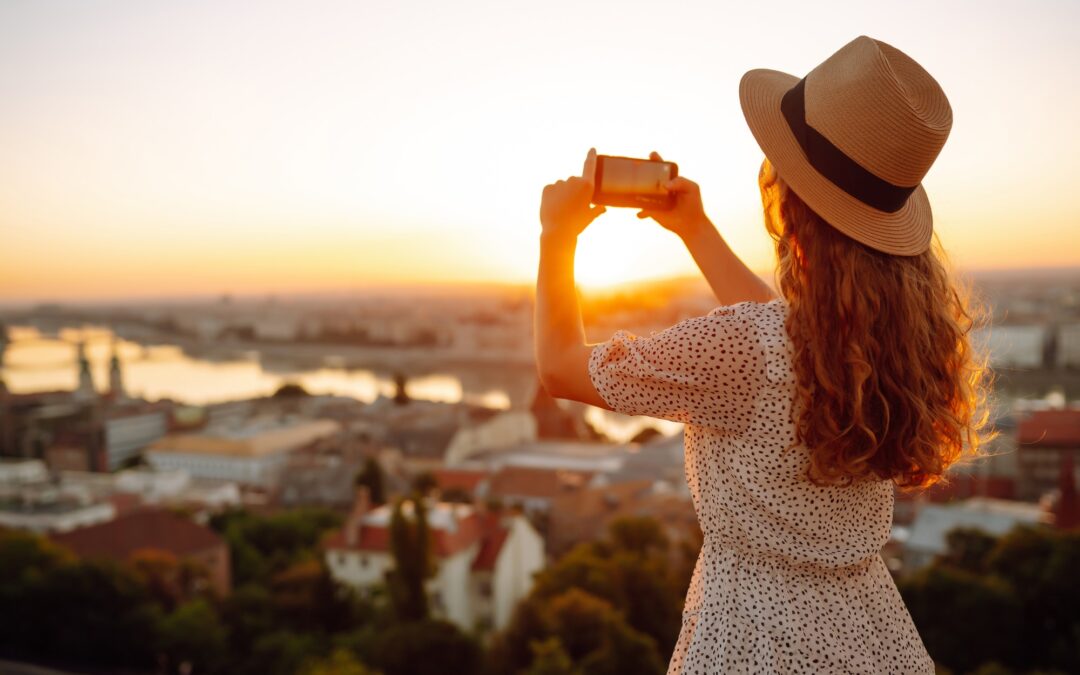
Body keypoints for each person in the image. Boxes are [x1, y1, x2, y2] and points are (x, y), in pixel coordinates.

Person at [534, 36, 989, 674]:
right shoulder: (894, 343)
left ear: (789, 203)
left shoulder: (749, 347)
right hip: (867, 631)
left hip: (753, 634)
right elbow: (783, 337)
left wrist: (556, 237)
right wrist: (694, 227)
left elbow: (558, 366)